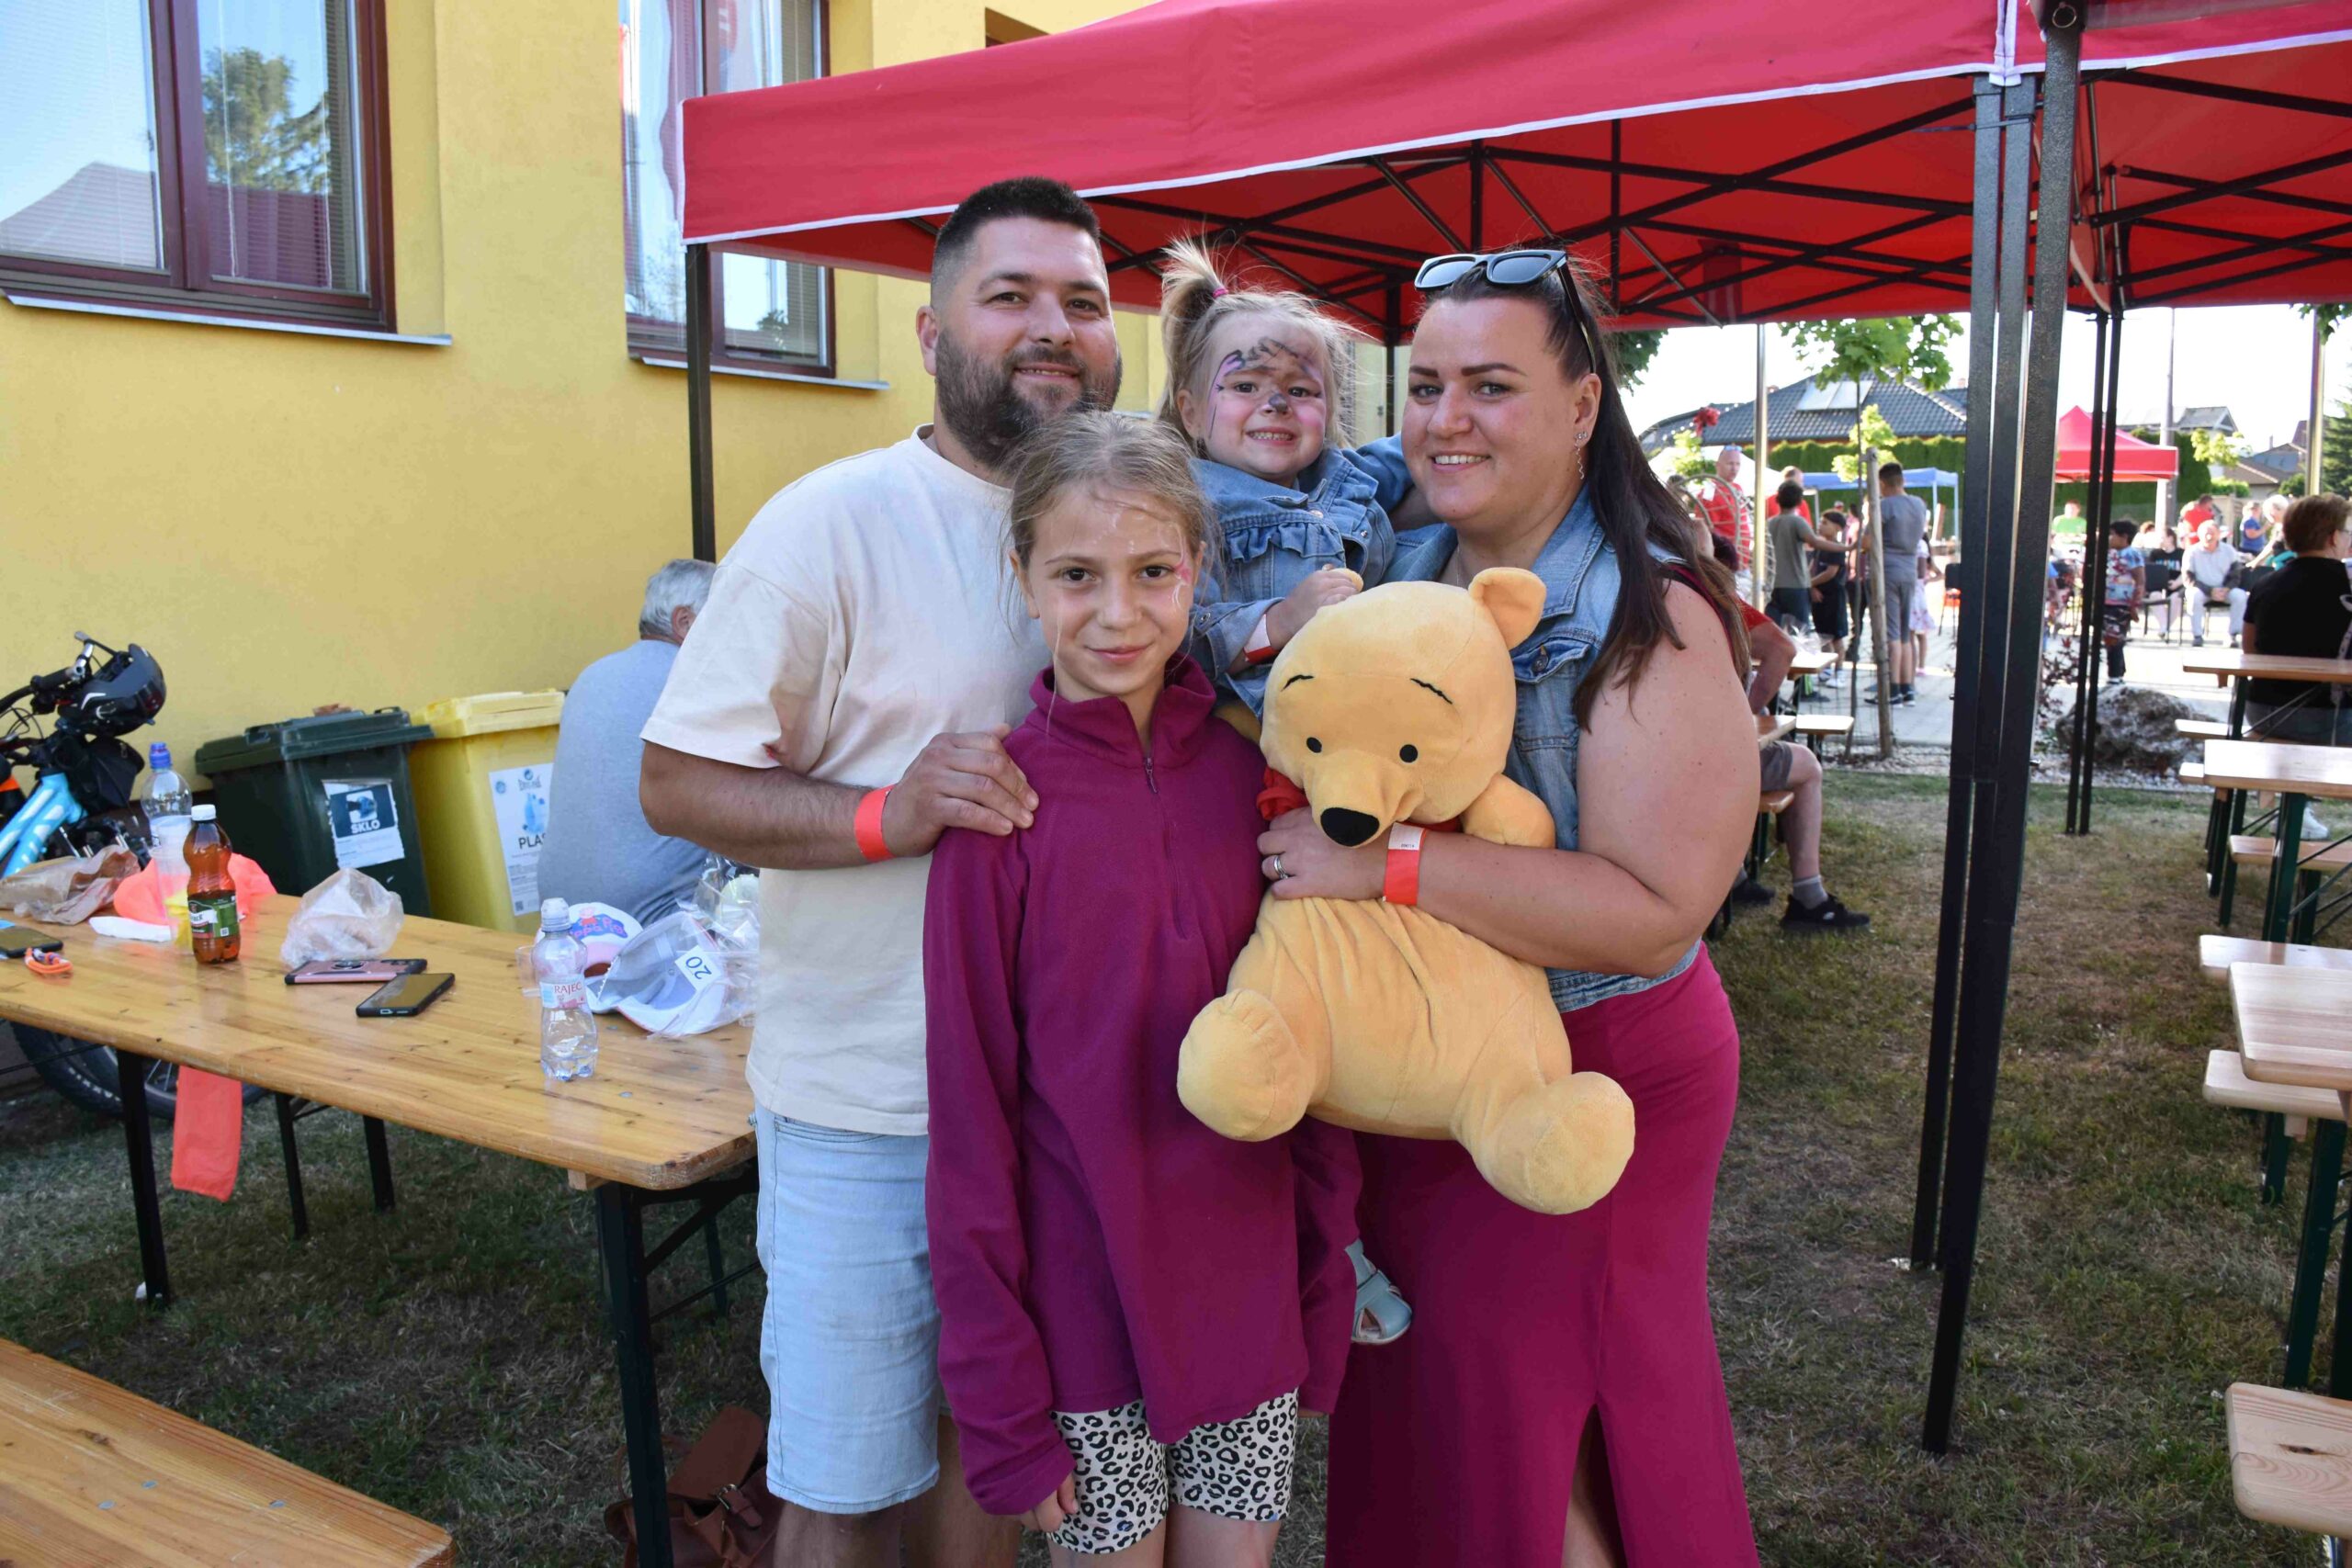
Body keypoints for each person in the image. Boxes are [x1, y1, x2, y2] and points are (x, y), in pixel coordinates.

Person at [636, 175, 1125, 1568]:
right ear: (930, 333)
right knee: (845, 1488)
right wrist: (882, 814)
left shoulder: (1127, 527)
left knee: (996, 1450)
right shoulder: (831, 524)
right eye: (1010, 296)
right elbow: (676, 778)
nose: (1053, 327)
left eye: (1084, 301)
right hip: (874, 1105)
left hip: (1061, 1106)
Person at [1283, 249, 1761, 1564]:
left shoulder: (1648, 609)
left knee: (1529, 1434)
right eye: (1427, 385)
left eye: (1491, 386)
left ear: (1582, 405)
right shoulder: (1401, 561)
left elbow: (1655, 911)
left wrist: (1385, 866)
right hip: (1427, 1070)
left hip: (1586, 1071)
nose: (1446, 419)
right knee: (1447, 1419)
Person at [923, 413, 1357, 1563]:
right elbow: (969, 1124)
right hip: (1081, 1322)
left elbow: (1310, 1044)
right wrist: (1000, 1403)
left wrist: (1322, 1285)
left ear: (1197, 569)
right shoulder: (995, 818)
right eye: (1077, 575)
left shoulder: (1258, 784)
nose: (1117, 613)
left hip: (1245, 1305)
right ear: (1023, 578)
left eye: (1152, 572)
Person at [535, 558, 717, 923]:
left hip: (560, 912)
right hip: (656, 920)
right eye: (729, 617)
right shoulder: (695, 681)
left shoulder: (592, 675)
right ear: (685, 622)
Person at [1744, 605, 1871, 932]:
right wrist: (1745, 713)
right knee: (1807, 766)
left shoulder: (1645, 592)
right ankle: (1809, 898)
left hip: (1651, 754)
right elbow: (1782, 648)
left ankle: (1735, 878)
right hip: (1704, 759)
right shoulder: (1711, 595)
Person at [2243, 492, 2352, 745]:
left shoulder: (2264, 584)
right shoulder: (2347, 585)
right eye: (2347, 532)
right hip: (2330, 716)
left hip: (2262, 712)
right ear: (2334, 538)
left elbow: (2250, 650)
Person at [1863, 461, 1928, 705]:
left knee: (1891, 632)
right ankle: (1907, 687)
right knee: (1905, 632)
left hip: (1887, 571)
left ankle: (1892, 690)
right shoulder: (1919, 504)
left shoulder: (1884, 506)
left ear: (1881, 484)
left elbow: (1867, 542)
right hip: (1910, 571)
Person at [1767, 478, 1849, 636]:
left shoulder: (1769, 523)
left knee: (1775, 633)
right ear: (1799, 501)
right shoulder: (1798, 522)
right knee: (1800, 633)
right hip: (1795, 585)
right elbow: (1815, 542)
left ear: (1778, 499)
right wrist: (1846, 547)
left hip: (1773, 585)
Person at [1691, 444, 1755, 598]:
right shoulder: (1709, 491)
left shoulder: (1737, 488)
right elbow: (1705, 528)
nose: (1734, 468)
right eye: (1730, 463)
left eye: (1737, 464)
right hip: (1725, 565)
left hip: (1742, 562)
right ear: (1718, 465)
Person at [2182, 518, 2242, 648]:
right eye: (2206, 533)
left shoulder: (2229, 551)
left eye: (2212, 533)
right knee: (2193, 596)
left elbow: (2236, 575)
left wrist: (2226, 589)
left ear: (2218, 534)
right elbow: (2188, 578)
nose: (2209, 537)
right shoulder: (2191, 552)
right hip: (2201, 589)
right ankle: (2197, 636)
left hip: (2224, 589)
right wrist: (2209, 591)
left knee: (2240, 596)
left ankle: (2232, 635)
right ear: (2199, 535)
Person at [1809, 506, 1852, 682]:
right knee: (1823, 635)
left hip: (1833, 597)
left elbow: (1830, 573)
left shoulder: (1837, 549)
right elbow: (1812, 568)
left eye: (1825, 523)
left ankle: (1839, 671)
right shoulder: (1819, 546)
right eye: (1820, 522)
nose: (1820, 525)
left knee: (1836, 637)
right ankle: (1826, 669)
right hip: (1819, 596)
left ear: (1837, 528)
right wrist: (1811, 588)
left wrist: (1810, 584)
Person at [2100, 517, 2145, 681]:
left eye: (2112, 534)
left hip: (2122, 603)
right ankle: (2119, 670)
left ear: (2124, 537)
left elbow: (2140, 580)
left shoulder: (2132, 554)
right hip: (2105, 601)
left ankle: (2114, 675)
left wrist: (2134, 605)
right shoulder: (2109, 553)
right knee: (2110, 637)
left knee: (2114, 637)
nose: (2109, 538)